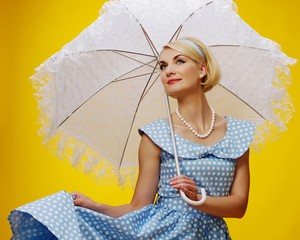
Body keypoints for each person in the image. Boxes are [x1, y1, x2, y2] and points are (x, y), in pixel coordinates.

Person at [9, 37, 255, 239]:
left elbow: (239, 206)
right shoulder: (156, 135)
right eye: (162, 66)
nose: (169, 70)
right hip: (163, 234)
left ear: (202, 69)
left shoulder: (238, 133)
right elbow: (139, 206)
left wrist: (198, 199)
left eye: (179, 61)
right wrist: (97, 207)